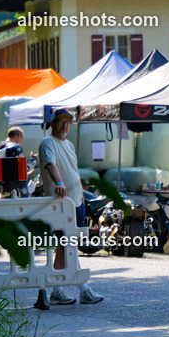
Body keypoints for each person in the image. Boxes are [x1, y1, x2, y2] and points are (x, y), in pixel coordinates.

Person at [34, 108, 103, 310]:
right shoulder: (48, 142)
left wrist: (80, 191)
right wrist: (59, 183)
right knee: (68, 245)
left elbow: (73, 169)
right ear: (52, 123)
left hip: (76, 202)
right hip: (61, 204)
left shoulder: (69, 144)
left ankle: (58, 291)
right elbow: (50, 165)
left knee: (67, 246)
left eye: (68, 122)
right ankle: (83, 289)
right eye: (61, 122)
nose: (65, 126)